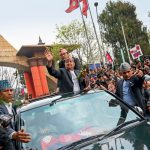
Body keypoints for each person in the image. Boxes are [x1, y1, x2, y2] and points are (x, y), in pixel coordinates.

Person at [0, 80, 31, 148]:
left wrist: (23, 102)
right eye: (5, 91)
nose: (10, 93)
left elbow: (15, 103)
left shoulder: (10, 104)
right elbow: (2, 123)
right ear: (0, 94)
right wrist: (13, 134)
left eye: (11, 90)